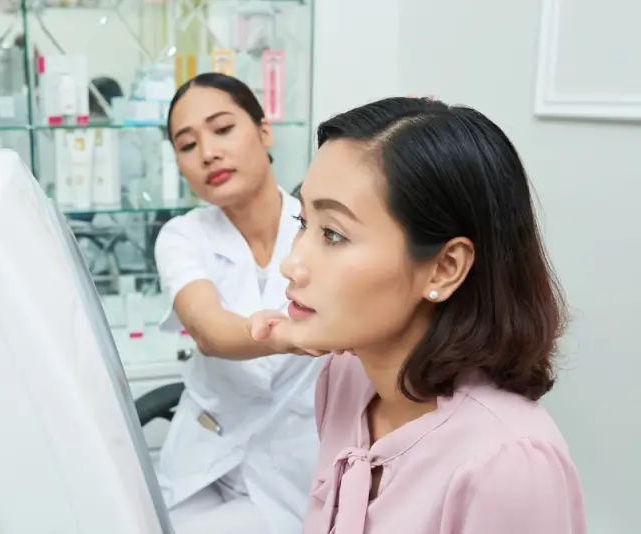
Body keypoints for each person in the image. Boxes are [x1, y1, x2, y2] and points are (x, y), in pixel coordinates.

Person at [251, 97, 587, 533]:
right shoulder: (346, 380)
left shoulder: (507, 466)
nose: (291, 264)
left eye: (333, 234)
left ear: (445, 268)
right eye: (302, 221)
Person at [153, 72, 325, 534]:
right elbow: (209, 330)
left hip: (295, 470)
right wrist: (296, 335)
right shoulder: (183, 236)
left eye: (223, 128)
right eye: (187, 145)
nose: (208, 152)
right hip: (202, 462)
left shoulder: (323, 228)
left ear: (263, 130)